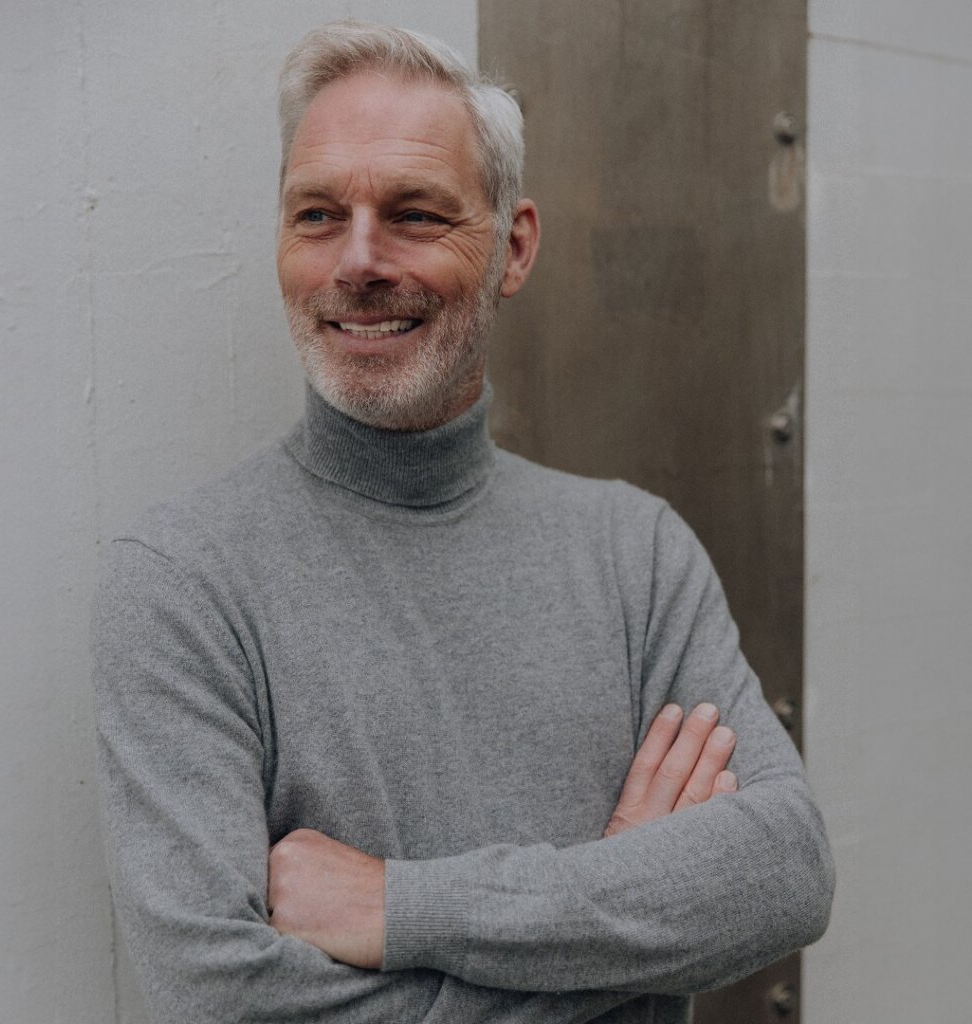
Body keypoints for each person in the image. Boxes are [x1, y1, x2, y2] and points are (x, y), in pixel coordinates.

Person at [91, 21, 834, 1024]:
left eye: (413, 214)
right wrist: (626, 919)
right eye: (318, 214)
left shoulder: (636, 554)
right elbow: (219, 996)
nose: (358, 260)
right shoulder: (184, 583)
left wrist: (400, 906)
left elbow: (786, 869)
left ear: (512, 248)